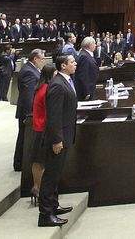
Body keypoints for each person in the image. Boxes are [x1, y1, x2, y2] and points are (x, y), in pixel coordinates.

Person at [39, 53, 78, 228]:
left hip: (65, 135)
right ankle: (45, 214)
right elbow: (54, 116)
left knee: (56, 174)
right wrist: (56, 140)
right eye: (72, 62)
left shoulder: (65, 81)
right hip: (57, 138)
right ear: (63, 65)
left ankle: (53, 206)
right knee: (51, 175)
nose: (75, 64)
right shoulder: (57, 85)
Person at [29, 63, 56, 204]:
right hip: (43, 129)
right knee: (42, 161)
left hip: (37, 128)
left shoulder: (40, 87)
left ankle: (36, 188)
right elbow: (50, 110)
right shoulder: (47, 89)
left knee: (37, 160)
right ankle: (40, 190)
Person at [16, 49, 46, 171]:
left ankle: (20, 162)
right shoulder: (29, 71)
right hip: (27, 111)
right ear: (35, 59)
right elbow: (29, 96)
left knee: (24, 137)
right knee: (24, 137)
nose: (43, 61)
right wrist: (31, 114)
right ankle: (19, 163)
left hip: (28, 110)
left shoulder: (32, 69)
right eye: (42, 59)